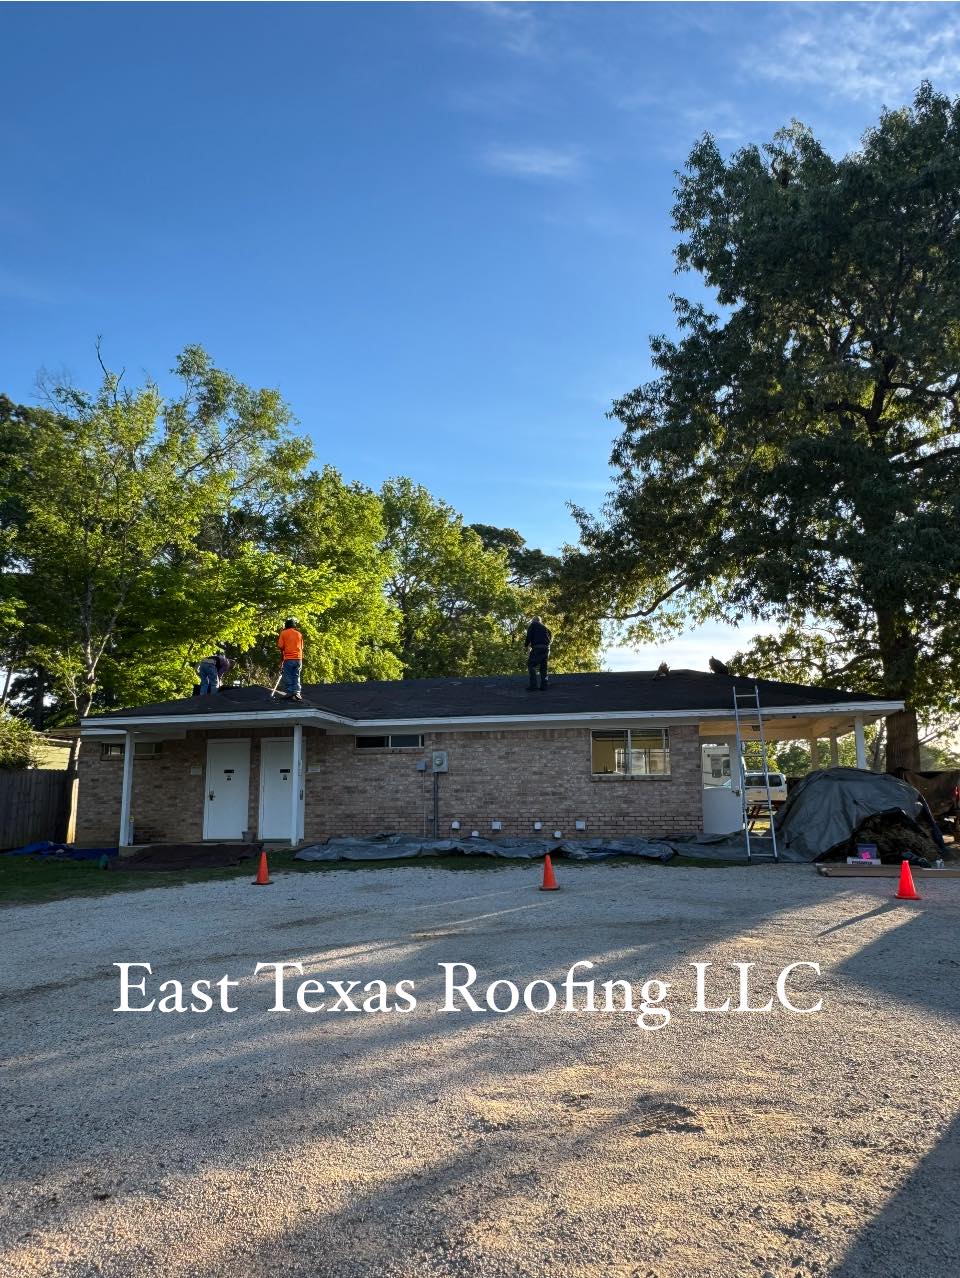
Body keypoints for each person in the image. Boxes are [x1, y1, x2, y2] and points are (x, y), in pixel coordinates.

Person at [277, 618, 304, 701]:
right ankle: (297, 693)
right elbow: (302, 647)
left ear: (286, 626)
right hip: (298, 659)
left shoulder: (284, 633)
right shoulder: (299, 634)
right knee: (296, 676)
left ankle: (290, 692)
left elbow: (280, 646)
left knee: (288, 676)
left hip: (288, 658)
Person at [524, 615, 551, 691]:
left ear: (533, 620)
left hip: (537, 648)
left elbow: (529, 636)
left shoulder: (533, 625)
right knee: (544, 668)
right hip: (546, 648)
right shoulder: (544, 627)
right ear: (540, 621)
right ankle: (544, 685)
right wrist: (547, 643)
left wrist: (526, 645)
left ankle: (533, 685)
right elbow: (550, 634)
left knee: (531, 665)